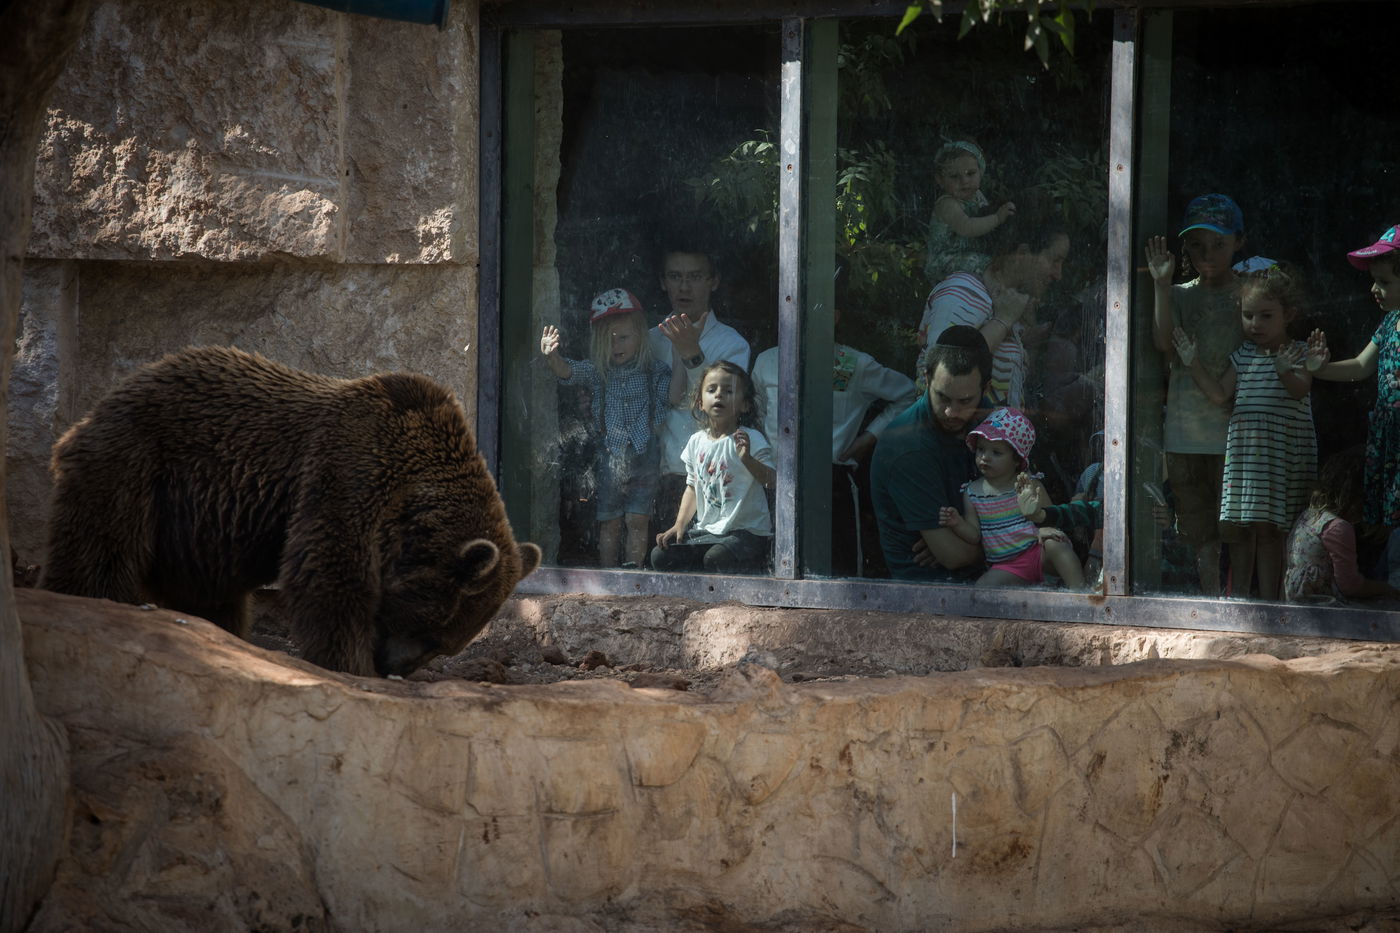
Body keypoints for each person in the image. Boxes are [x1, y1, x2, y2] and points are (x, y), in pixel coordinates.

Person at [1173, 263, 1317, 601]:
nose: (1255, 324)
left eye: (1266, 316)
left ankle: (1269, 603)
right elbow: (1220, 394)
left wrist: (1283, 370)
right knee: (1240, 530)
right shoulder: (1244, 354)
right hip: (1247, 460)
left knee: (1270, 533)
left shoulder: (1298, 353)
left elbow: (1300, 390)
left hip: (1278, 457)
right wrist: (1192, 361)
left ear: (1289, 314)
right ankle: (1240, 603)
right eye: (1248, 315)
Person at [750, 308, 918, 576]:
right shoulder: (766, 361)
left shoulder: (854, 363)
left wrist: (869, 437)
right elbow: (758, 412)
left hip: (831, 483)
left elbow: (909, 393)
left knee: (839, 571)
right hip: (774, 479)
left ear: (835, 316)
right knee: (774, 569)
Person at [1143, 193, 1247, 595]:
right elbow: (1162, 342)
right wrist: (1161, 285)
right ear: (1185, 247)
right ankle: (1209, 598)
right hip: (1185, 433)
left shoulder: (1247, 296)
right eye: (1198, 244)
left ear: (1239, 241)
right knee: (1198, 526)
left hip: (1234, 434)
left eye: (1219, 243)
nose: (1208, 253)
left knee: (1235, 525)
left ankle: (1239, 601)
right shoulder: (1182, 294)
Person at [540, 288, 671, 567]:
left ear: (639, 336)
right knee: (609, 520)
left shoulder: (654, 371)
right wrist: (552, 358)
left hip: (643, 454)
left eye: (623, 338)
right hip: (610, 455)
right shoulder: (599, 371)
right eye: (608, 340)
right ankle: (609, 572)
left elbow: (673, 396)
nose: (616, 346)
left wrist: (685, 359)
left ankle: (634, 572)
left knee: (638, 518)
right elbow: (569, 371)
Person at [869, 324, 990, 581]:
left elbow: (1028, 511)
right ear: (926, 379)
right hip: (931, 591)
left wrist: (970, 543)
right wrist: (1004, 540)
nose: (951, 412)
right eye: (942, 397)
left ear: (985, 390)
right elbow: (954, 556)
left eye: (965, 401)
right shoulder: (908, 446)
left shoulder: (992, 419)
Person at [647, 242, 752, 537]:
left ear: (713, 281)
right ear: (663, 282)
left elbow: (725, 410)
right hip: (653, 476)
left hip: (708, 479)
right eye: (675, 276)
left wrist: (692, 354)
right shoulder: (649, 341)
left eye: (694, 277)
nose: (684, 286)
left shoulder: (732, 344)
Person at [1305, 224, 1400, 552]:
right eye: (1374, 280)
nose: (1375, 289)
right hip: (1389, 441)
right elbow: (1361, 366)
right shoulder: (1389, 322)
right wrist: (1319, 369)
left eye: (1385, 282)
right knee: (1389, 528)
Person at [916, 211, 1069, 409]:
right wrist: (1003, 321)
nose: (1058, 274)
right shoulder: (962, 291)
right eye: (1055, 260)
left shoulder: (1005, 303)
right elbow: (944, 371)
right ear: (1022, 253)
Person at [650, 361, 775, 573]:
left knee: (716, 559)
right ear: (700, 402)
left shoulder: (751, 438)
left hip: (745, 533)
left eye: (728, 391)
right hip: (706, 532)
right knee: (660, 556)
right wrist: (679, 524)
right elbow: (692, 486)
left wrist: (747, 460)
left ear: (744, 405)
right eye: (712, 389)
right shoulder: (696, 441)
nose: (719, 395)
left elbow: (772, 481)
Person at [939, 407, 1084, 588]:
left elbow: (1051, 517)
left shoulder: (1029, 484)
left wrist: (1044, 530)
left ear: (1017, 459)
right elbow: (975, 535)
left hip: (1038, 551)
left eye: (996, 452)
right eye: (981, 449)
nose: (985, 457)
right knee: (983, 588)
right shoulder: (972, 492)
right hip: (1008, 566)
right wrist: (957, 523)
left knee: (1057, 545)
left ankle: (1080, 594)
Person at [1284, 446, 1400, 603]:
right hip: (1326, 605)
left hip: (1297, 602)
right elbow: (1350, 586)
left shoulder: (1309, 515)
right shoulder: (1338, 527)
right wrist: (1387, 589)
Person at [923, 140, 1016, 284]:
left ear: (981, 171)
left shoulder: (977, 195)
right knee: (988, 264)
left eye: (970, 173)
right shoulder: (947, 204)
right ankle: (996, 295)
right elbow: (967, 227)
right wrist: (997, 218)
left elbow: (984, 217)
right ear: (940, 180)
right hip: (946, 260)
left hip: (969, 254)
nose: (964, 181)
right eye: (954, 176)